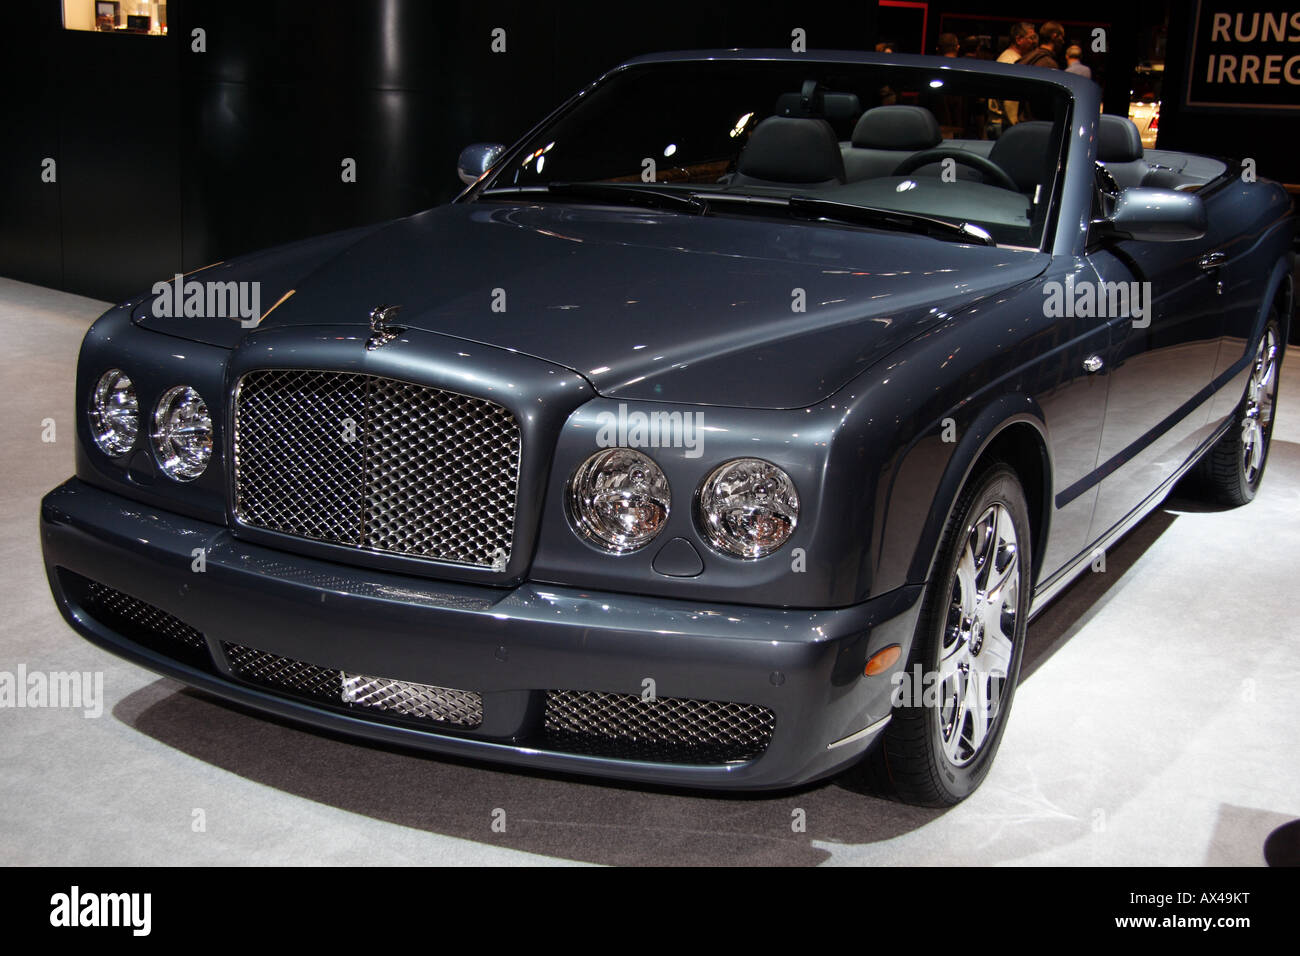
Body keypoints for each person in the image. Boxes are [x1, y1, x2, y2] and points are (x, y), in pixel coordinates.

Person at [987, 22, 1036, 136]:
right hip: (1004, 125)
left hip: (999, 123)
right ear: (1018, 39)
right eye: (1031, 38)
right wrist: (1015, 124)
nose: (1034, 41)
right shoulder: (1012, 61)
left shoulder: (1009, 57)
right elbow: (1010, 100)